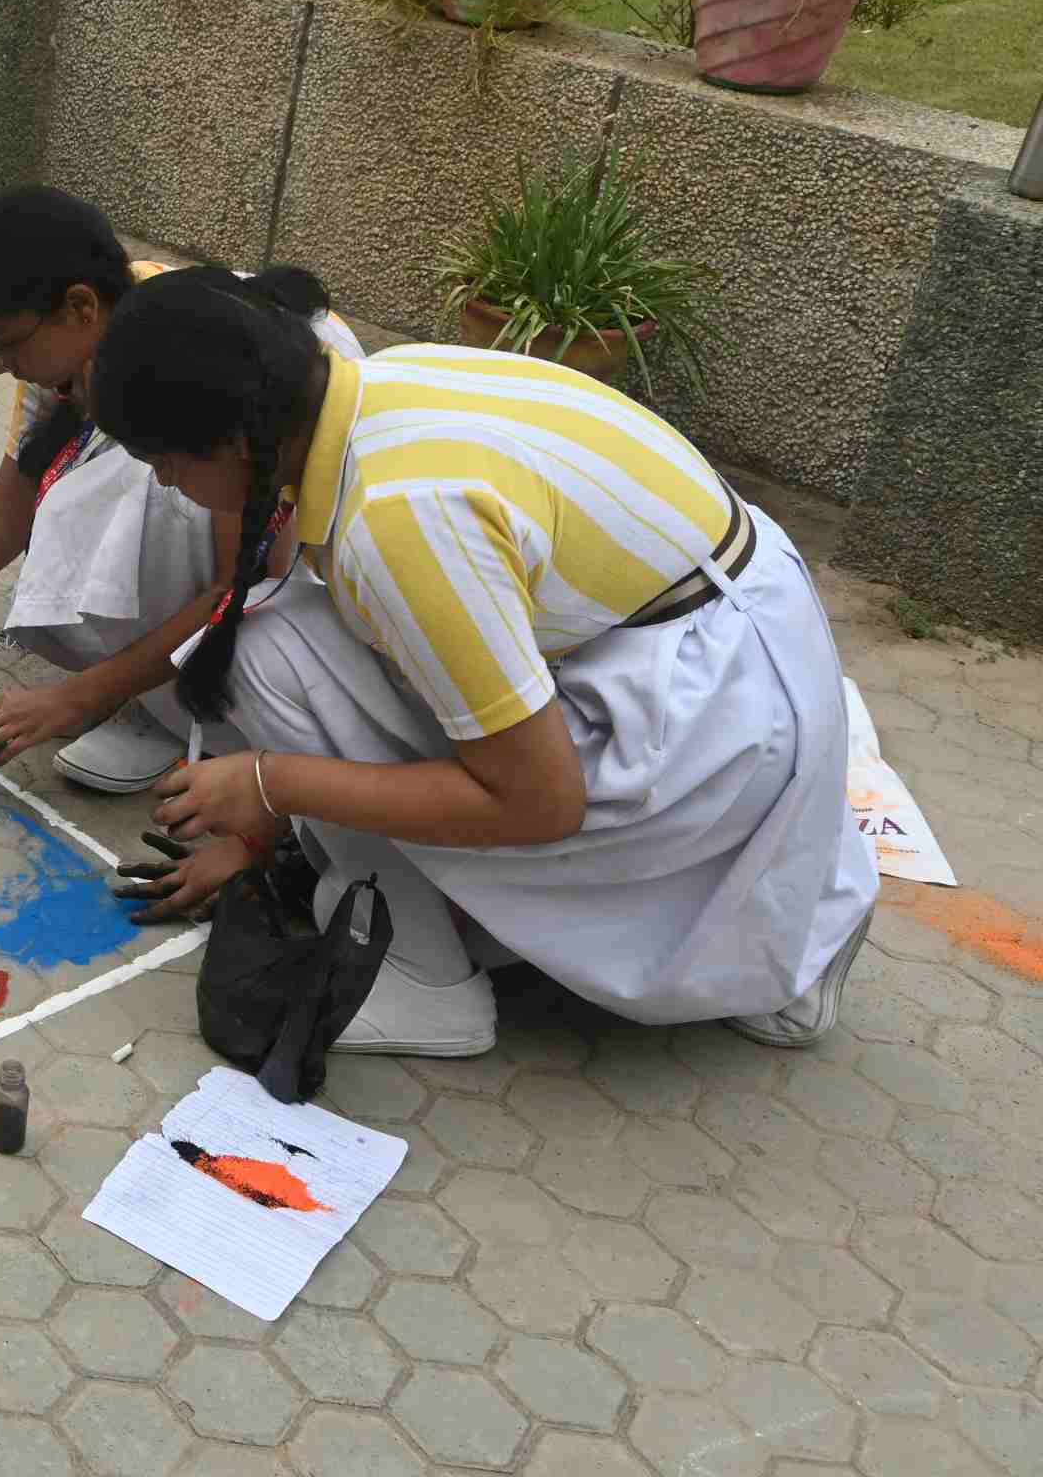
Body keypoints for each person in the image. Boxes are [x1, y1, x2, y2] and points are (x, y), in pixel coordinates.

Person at [97, 267, 877, 1059]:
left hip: (710, 731)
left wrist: (270, 782)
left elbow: (540, 804)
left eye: (164, 462)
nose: (167, 483)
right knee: (300, 630)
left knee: (270, 655)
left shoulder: (400, 518)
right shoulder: (382, 385)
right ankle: (765, 930)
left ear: (234, 439)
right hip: (741, 649)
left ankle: (424, 982)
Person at [0, 185, 362, 792]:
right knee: (81, 495)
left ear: (80, 307)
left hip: (311, 579)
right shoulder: (76, 354)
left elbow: (247, 580)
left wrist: (76, 698)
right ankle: (154, 688)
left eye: (4, 342)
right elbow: (2, 521)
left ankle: (184, 710)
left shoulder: (190, 367)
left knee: (128, 499)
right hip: (255, 549)